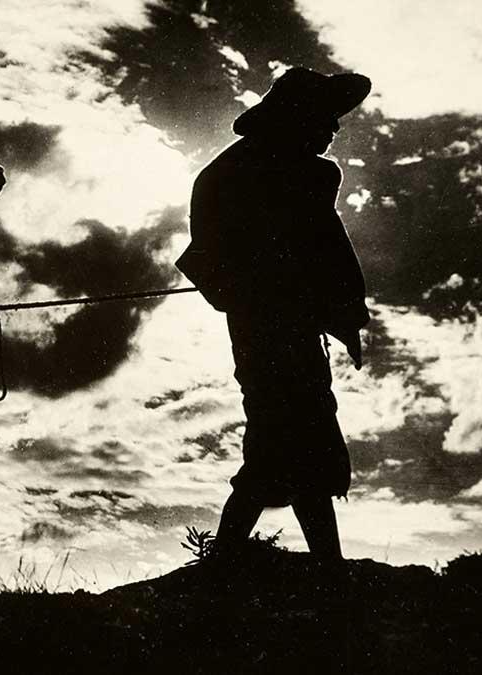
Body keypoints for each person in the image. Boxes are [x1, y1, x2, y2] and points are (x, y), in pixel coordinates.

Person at [176, 67, 372, 559]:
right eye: (326, 118)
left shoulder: (233, 174)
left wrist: (341, 318)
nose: (334, 128)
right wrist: (340, 315)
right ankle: (316, 567)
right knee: (293, 438)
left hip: (275, 329)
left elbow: (322, 253)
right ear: (298, 117)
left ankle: (238, 561)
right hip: (273, 330)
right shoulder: (295, 176)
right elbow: (326, 251)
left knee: (286, 439)